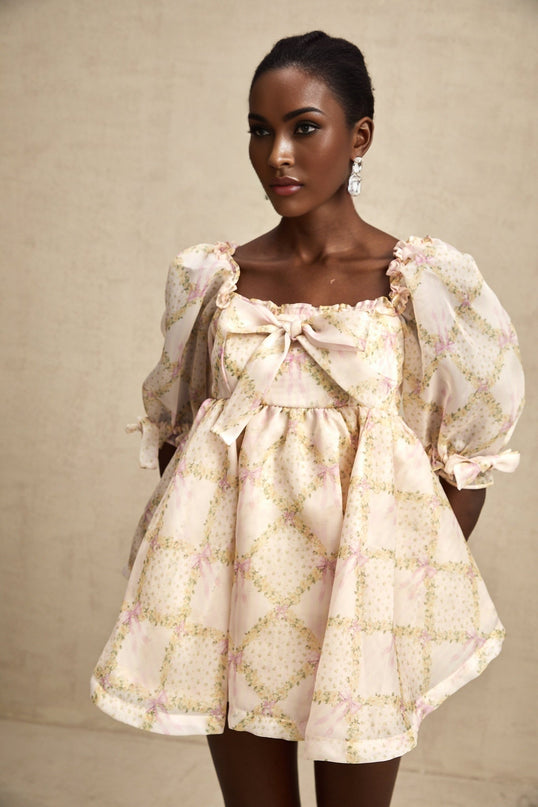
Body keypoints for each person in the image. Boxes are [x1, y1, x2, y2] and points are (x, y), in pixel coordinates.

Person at [91, 31, 524, 807]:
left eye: (304, 127)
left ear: (359, 136)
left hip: (360, 605)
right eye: (261, 131)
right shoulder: (216, 280)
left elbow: (467, 454)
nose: (278, 154)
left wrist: (390, 592)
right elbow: (181, 438)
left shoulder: (418, 283)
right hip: (234, 599)